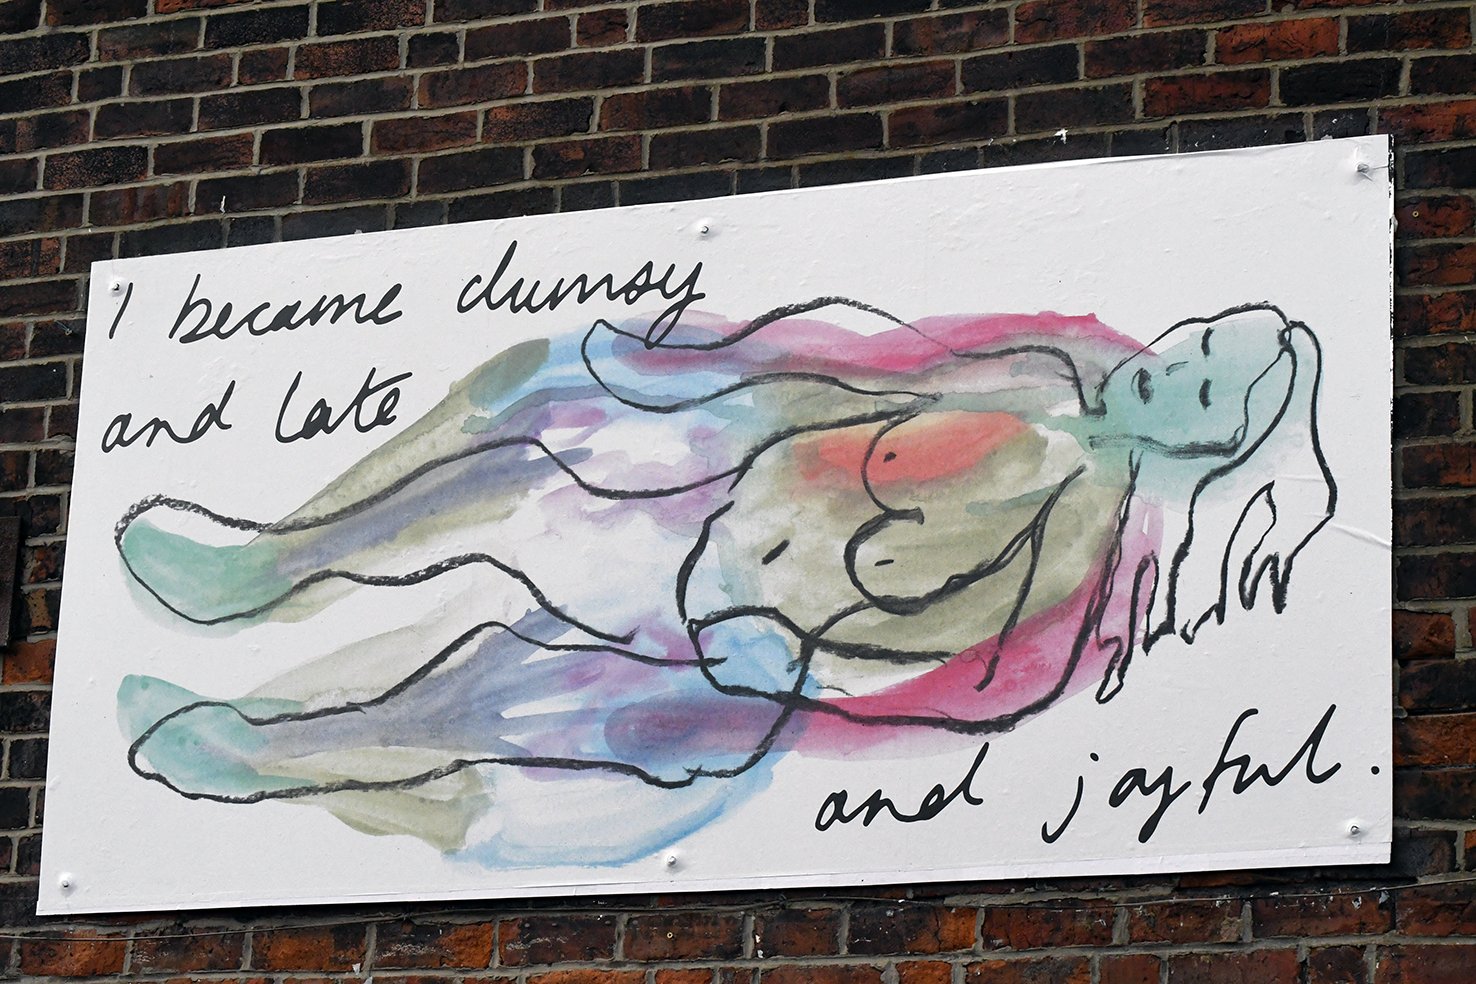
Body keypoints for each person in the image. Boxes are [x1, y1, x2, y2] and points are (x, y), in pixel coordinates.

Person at [115, 300, 1334, 862]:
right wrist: (710, 385)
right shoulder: (1043, 372)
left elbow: (943, 649)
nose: (1171, 370)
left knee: (499, 696)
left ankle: (261, 750)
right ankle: (262, 569)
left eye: (1203, 387)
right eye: (1194, 348)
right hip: (725, 488)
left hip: (737, 621)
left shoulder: (1078, 539)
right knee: (518, 438)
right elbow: (866, 376)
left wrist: (765, 635)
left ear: (1209, 441)